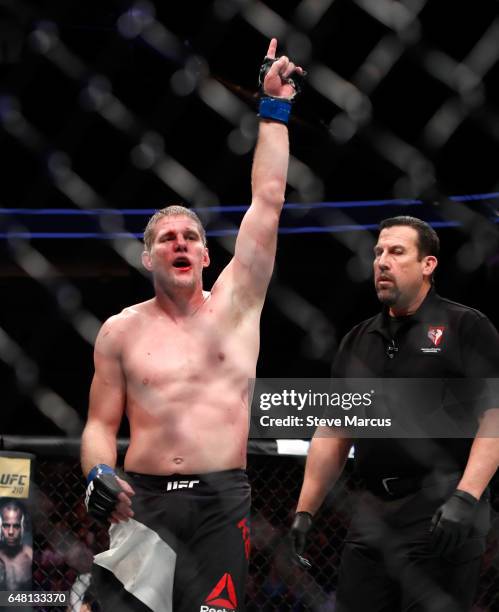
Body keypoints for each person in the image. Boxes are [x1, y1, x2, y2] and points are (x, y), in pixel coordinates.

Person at [81, 39, 304, 612]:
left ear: (207, 256)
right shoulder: (119, 331)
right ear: (147, 258)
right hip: (142, 501)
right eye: (165, 239)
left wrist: (274, 109)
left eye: (190, 237)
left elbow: (269, 200)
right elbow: (100, 425)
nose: (179, 243)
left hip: (219, 503)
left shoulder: (237, 306)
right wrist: (97, 473)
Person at [291, 216, 499, 612]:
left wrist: (465, 497)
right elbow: (334, 430)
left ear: (428, 265)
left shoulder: (465, 326)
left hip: (440, 505)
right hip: (372, 512)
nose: (382, 261)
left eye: (397, 252)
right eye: (378, 253)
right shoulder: (357, 339)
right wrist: (305, 509)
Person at [0, 501, 32, 591]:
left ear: (22, 528)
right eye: (6, 525)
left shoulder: (30, 556)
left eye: (16, 526)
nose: (11, 532)